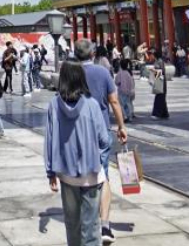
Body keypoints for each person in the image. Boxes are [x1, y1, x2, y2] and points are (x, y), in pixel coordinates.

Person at [46, 61, 110, 246]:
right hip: (91, 173)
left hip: (66, 174)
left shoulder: (54, 105)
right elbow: (104, 139)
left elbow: (50, 140)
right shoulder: (92, 104)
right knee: (90, 226)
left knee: (72, 224)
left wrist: (50, 172)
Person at [75, 39, 128, 245]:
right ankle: (105, 225)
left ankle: (86, 221)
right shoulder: (103, 72)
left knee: (79, 174)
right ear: (92, 54)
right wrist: (121, 126)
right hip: (101, 129)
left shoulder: (71, 73)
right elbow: (114, 101)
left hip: (77, 131)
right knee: (103, 174)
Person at [149, 51, 169, 119]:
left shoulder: (159, 61)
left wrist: (153, 70)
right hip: (159, 79)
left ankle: (157, 114)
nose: (151, 56)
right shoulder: (158, 61)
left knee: (159, 97)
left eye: (152, 55)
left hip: (160, 80)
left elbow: (161, 71)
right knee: (161, 97)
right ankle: (164, 113)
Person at [115, 59, 135, 123]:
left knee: (121, 104)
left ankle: (124, 116)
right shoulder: (128, 73)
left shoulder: (119, 73)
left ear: (120, 65)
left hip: (121, 91)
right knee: (127, 103)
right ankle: (129, 116)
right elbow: (131, 83)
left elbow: (117, 82)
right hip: (128, 91)